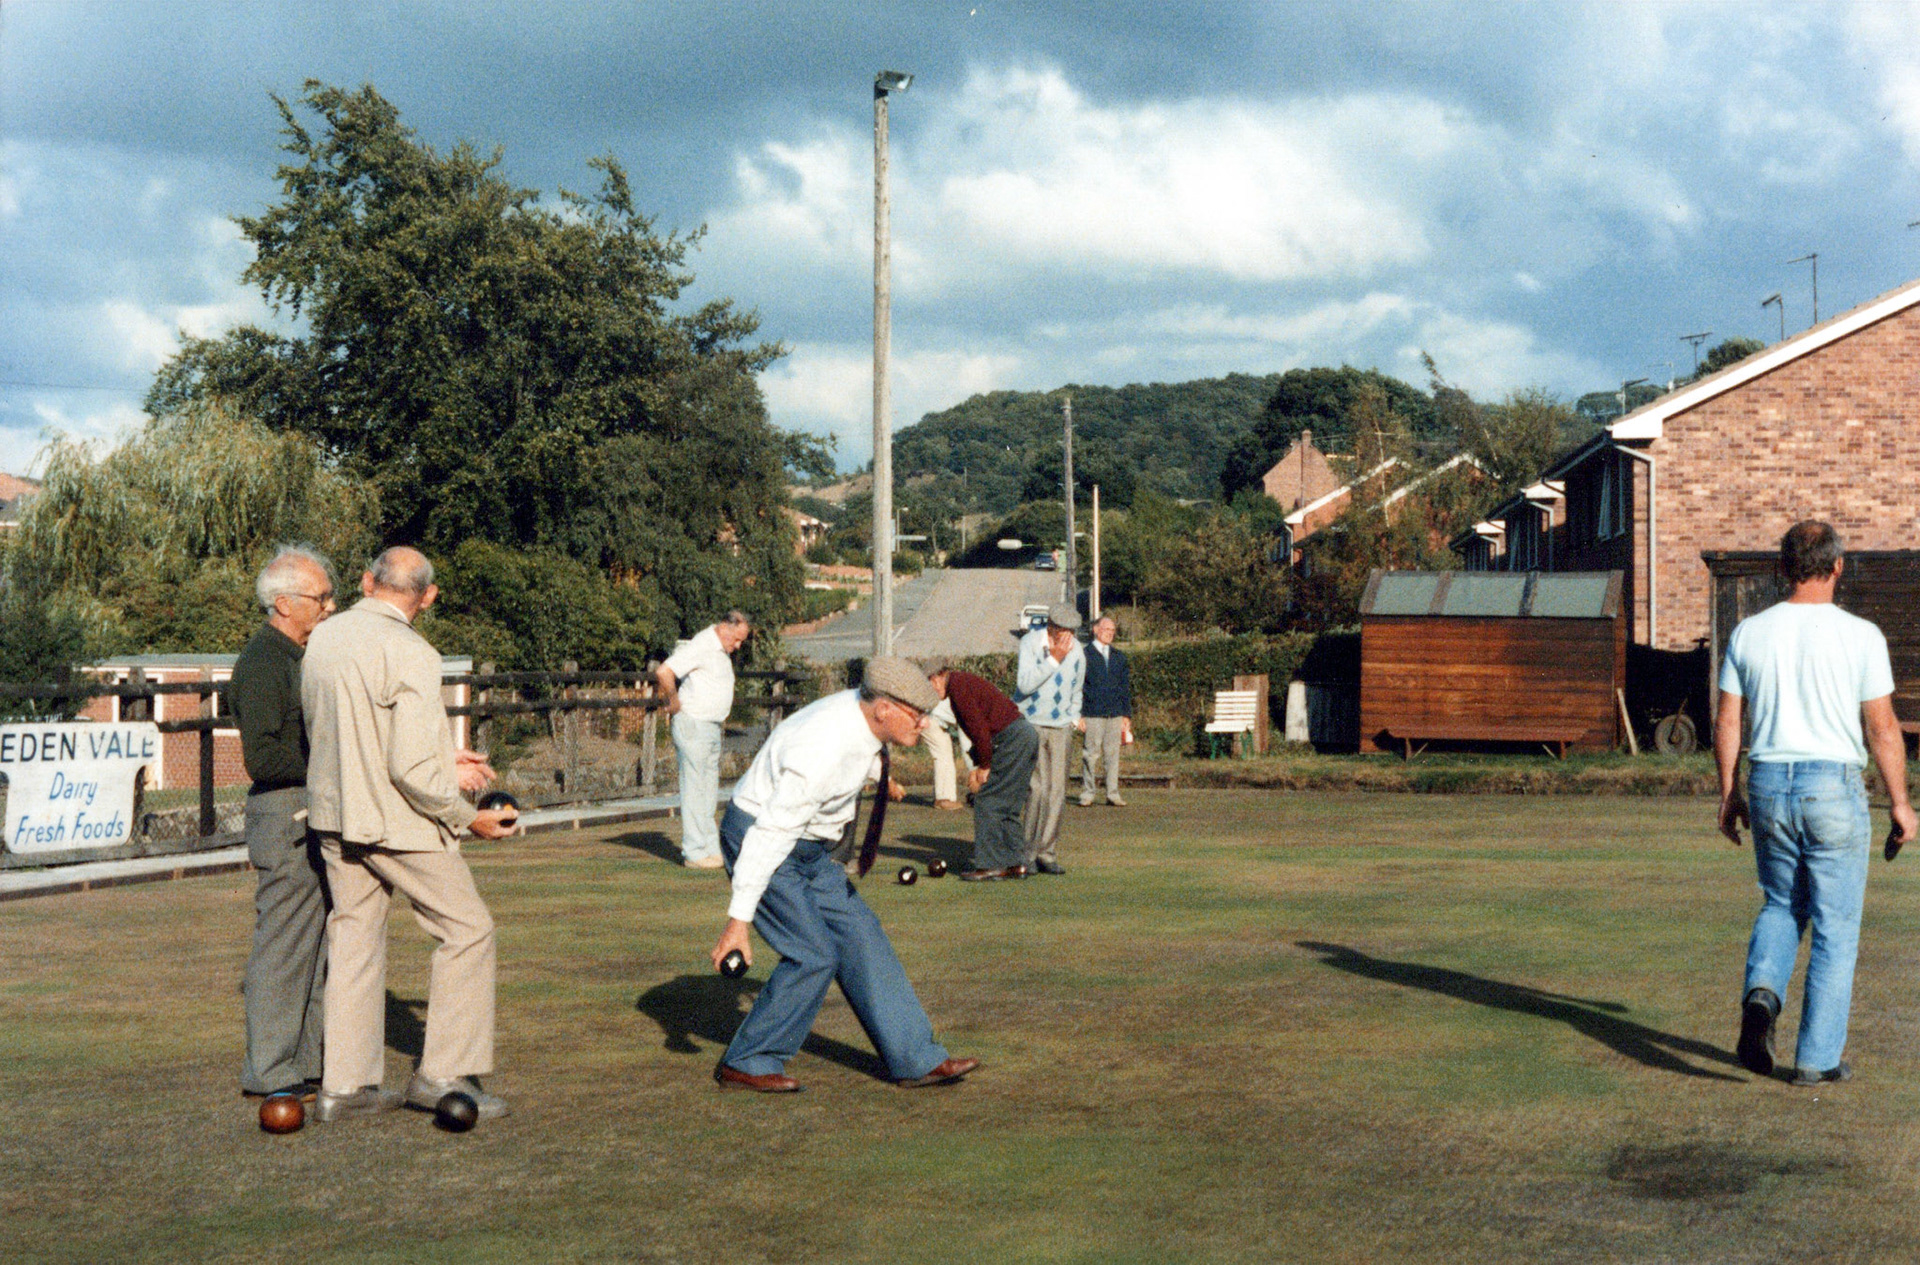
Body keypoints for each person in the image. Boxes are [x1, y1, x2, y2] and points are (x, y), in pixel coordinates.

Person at [301, 547, 519, 1122]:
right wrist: (467, 816)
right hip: (394, 823)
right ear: (429, 597)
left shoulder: (323, 637)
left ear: (367, 582)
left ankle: (343, 1088)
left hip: (333, 816)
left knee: (355, 939)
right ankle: (441, 1076)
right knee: (469, 930)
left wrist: (441, 757)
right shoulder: (414, 652)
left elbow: (354, 730)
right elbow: (410, 770)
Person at [707, 656, 980, 1093]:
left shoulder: (865, 716)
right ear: (884, 708)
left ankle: (916, 1059)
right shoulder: (822, 747)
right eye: (917, 714)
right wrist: (738, 923)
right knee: (813, 953)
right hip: (762, 836)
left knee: (862, 935)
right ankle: (748, 1061)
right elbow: (771, 834)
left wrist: (877, 773)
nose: (926, 724)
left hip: (810, 848)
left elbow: (859, 757)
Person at [1716, 521, 1916, 1086]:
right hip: (1832, 785)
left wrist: (1729, 792)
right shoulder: (1862, 635)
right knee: (1835, 926)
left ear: (1783, 568)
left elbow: (1728, 720)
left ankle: (1762, 997)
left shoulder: (1748, 632)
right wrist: (1902, 803)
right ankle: (1816, 1058)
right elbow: (1882, 727)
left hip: (1768, 781)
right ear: (1838, 566)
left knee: (1781, 904)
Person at [231, 545, 337, 1102]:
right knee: (283, 946)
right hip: (285, 813)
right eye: (321, 597)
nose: (330, 606)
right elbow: (264, 758)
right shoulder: (262, 664)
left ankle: (306, 1063)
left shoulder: (299, 657)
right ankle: (270, 1071)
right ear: (284, 603)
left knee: (316, 945)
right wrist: (334, 764)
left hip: (310, 809)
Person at [657, 611, 751, 869]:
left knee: (708, 790)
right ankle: (695, 852)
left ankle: (710, 848)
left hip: (710, 726)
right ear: (725, 628)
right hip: (693, 725)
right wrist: (673, 700)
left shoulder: (720, 651)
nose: (738, 646)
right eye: (737, 639)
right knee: (695, 789)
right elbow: (665, 671)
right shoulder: (703, 644)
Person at [926, 662, 1036, 881]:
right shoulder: (960, 684)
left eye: (928, 686)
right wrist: (979, 763)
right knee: (1008, 804)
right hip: (1024, 736)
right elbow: (979, 731)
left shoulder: (958, 688)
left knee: (987, 800)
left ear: (936, 678)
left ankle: (991, 865)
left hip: (1012, 739)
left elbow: (980, 731)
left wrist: (984, 767)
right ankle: (1016, 864)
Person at [1016, 604, 1084, 876]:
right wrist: (1053, 659)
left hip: (1060, 728)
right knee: (1038, 790)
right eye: (1065, 631)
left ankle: (1047, 853)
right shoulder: (1030, 643)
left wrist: (1073, 716)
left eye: (1073, 632)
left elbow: (1077, 689)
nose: (1069, 637)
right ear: (1052, 628)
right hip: (1031, 723)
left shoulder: (1078, 651)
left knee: (1057, 791)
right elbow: (1024, 685)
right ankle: (1027, 853)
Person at [1078, 614, 1134, 807]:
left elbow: (1124, 688)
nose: (1109, 633)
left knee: (1112, 756)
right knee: (1090, 756)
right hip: (1092, 713)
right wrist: (1079, 715)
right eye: (1106, 629)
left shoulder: (1119, 657)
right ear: (1096, 630)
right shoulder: (1084, 655)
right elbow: (1078, 686)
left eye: (1112, 631)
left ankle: (1112, 794)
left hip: (1115, 713)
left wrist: (1126, 714)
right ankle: (1088, 793)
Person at [924, 696, 972, 811]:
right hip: (930, 718)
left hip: (931, 717)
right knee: (943, 755)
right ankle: (943, 799)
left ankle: (943, 797)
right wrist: (972, 770)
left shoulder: (969, 700)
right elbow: (965, 743)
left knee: (945, 753)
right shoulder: (969, 708)